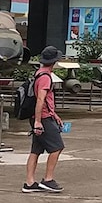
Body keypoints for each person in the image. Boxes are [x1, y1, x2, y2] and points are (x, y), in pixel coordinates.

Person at [23, 46, 66, 193]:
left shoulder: (39, 74)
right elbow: (41, 99)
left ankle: (29, 182)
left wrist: (54, 115)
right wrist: (38, 121)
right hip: (43, 118)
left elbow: (45, 100)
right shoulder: (45, 78)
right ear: (54, 62)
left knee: (36, 150)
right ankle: (48, 179)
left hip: (43, 116)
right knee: (57, 147)